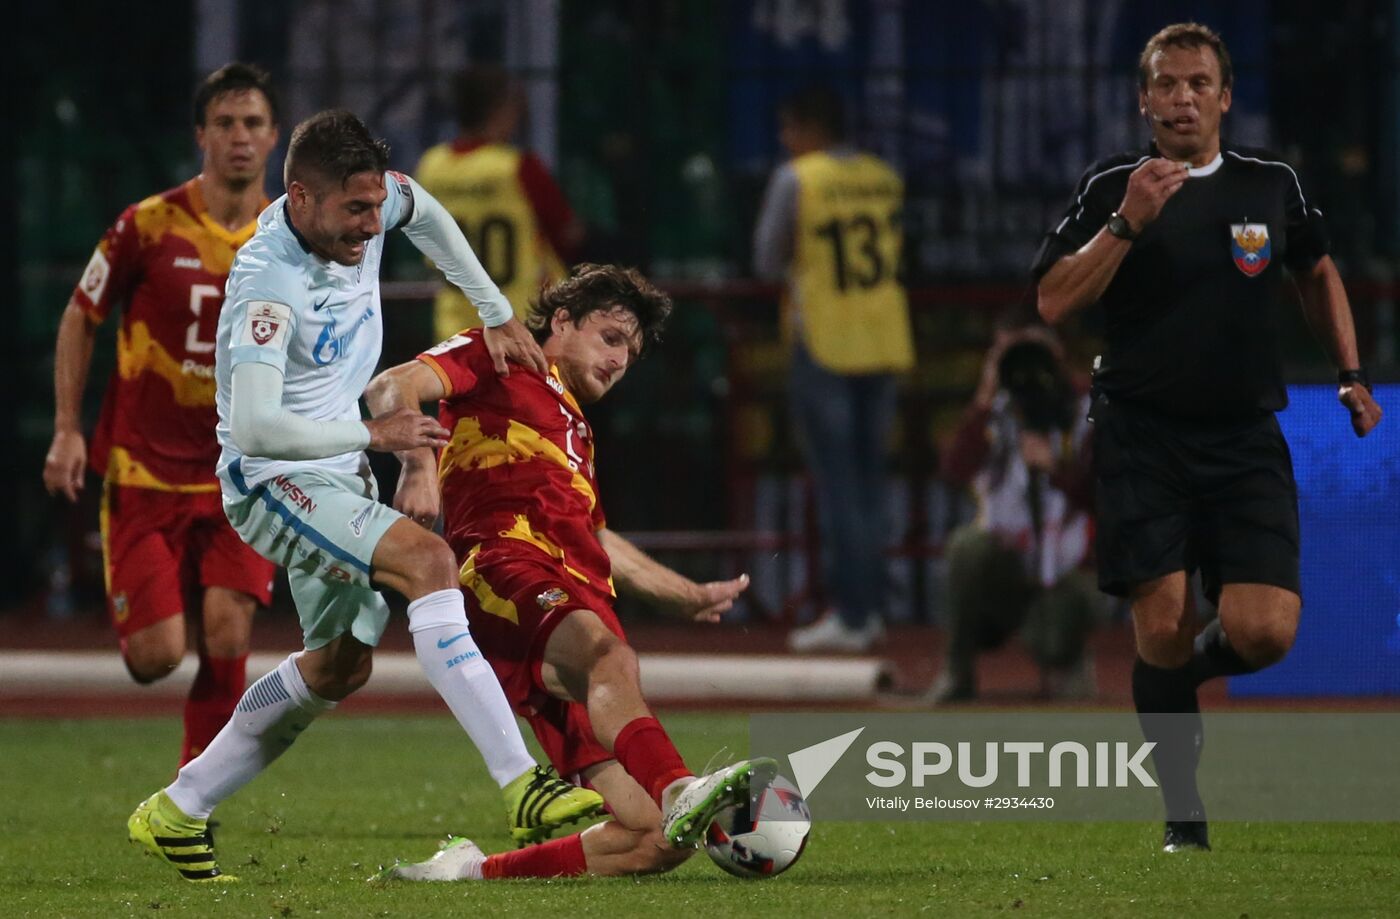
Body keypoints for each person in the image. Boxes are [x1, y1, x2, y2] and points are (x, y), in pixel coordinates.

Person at [126, 110, 604, 883]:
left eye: (376, 206)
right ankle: (525, 784)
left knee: (344, 663)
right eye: (355, 210)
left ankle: (179, 809)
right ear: (300, 196)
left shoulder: (370, 206)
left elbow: (426, 212)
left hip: (336, 467)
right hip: (272, 477)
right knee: (429, 560)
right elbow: (254, 426)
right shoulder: (266, 279)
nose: (371, 224)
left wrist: (494, 309)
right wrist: (371, 437)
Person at [1034, 22, 1381, 853]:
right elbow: (1051, 300)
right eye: (1166, 83)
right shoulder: (1113, 184)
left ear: (1224, 97)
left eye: (1198, 83)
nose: (1182, 97)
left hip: (1243, 435)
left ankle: (1177, 678)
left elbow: (1318, 269)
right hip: (1140, 435)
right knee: (1159, 621)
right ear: (1143, 98)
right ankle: (1184, 817)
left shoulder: (1271, 184)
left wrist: (1349, 372)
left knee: (1265, 632)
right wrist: (1125, 224)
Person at [362, 263, 776, 881]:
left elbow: (599, 538)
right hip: (506, 569)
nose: (620, 360)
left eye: (631, 353)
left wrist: (685, 594)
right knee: (608, 656)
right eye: (611, 338)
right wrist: (417, 467)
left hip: (570, 597)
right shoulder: (500, 356)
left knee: (656, 841)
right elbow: (390, 386)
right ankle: (679, 786)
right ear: (562, 320)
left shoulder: (576, 430)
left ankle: (468, 872)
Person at [42, 64, 282, 768]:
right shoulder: (146, 226)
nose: (240, 137)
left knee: (230, 629)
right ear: (201, 134)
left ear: (273, 138)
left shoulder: (291, 240)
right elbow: (80, 317)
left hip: (242, 472)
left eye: (254, 124)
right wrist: (66, 426)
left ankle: (195, 793)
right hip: (144, 470)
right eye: (227, 124)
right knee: (155, 657)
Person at [753, 84, 915, 654]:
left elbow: (766, 258)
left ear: (808, 127)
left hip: (824, 341)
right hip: (884, 336)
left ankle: (853, 613)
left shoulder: (798, 178)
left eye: (788, 128)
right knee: (872, 485)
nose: (784, 140)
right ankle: (870, 610)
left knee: (839, 486)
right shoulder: (883, 175)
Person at [930, 329, 1100, 703]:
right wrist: (985, 396)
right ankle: (957, 673)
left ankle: (1069, 660)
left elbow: (1109, 495)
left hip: (1067, 574)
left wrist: (1057, 470)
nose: (1027, 369)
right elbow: (953, 471)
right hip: (1005, 570)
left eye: (1036, 355)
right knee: (966, 548)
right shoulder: (997, 413)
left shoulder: (1089, 411)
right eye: (1013, 356)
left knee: (1067, 615)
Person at [417, 63, 583, 342]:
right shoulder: (517, 168)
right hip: (524, 326)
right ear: (502, 109)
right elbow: (568, 234)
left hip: (454, 331)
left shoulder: (431, 166)